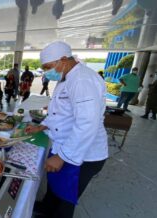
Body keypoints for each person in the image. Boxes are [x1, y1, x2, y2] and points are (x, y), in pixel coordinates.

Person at [26, 41, 108, 218]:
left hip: (83, 154)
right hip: (64, 144)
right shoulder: (66, 77)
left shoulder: (82, 80)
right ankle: (46, 209)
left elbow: (87, 123)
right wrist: (42, 125)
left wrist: (62, 156)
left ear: (63, 60)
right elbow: (60, 112)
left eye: (48, 67)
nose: (47, 72)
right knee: (54, 187)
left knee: (65, 198)